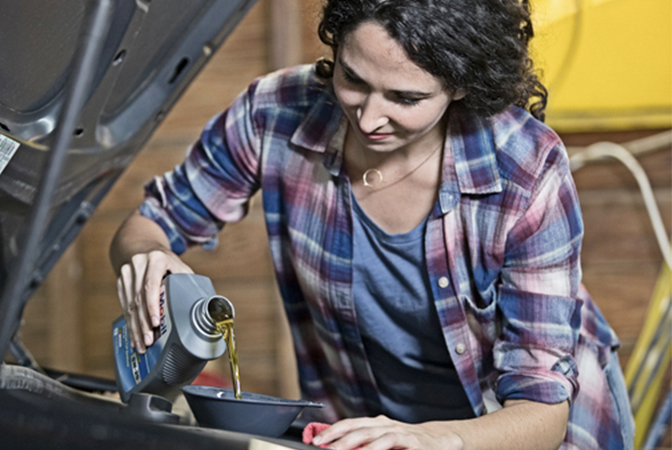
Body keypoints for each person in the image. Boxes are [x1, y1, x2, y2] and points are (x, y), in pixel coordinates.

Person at [110, 0, 634, 448]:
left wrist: (435, 437)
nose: (367, 119)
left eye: (405, 98)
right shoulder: (275, 112)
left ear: (461, 85)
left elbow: (542, 411)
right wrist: (150, 259)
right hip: (383, 429)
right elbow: (145, 227)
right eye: (353, 79)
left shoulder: (525, 168)